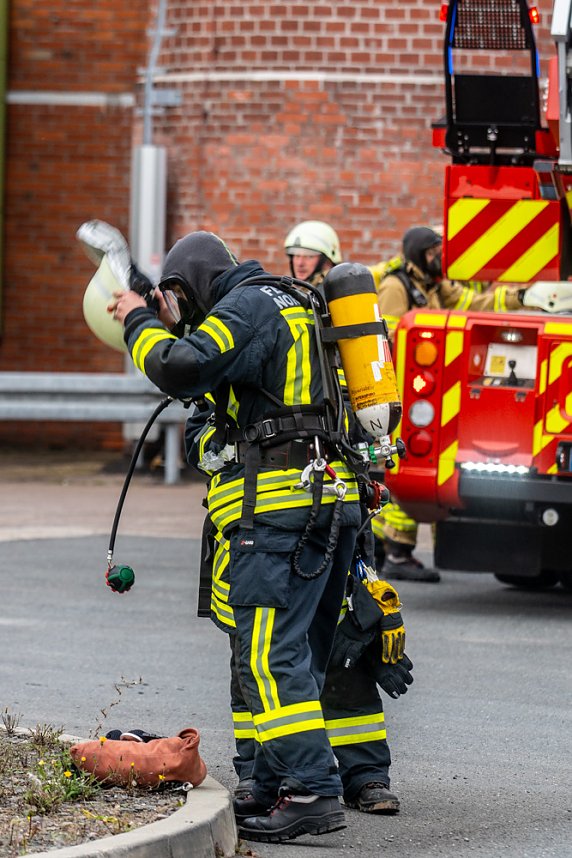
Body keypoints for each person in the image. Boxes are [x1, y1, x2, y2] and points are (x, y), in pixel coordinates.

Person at [109, 231, 372, 843]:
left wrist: (136, 320)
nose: (184, 316)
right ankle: (280, 783)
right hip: (330, 502)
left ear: (192, 284)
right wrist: (155, 305)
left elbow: (181, 366)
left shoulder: (247, 306)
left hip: (280, 510)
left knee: (268, 656)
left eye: (179, 300)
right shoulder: (294, 302)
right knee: (296, 652)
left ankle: (311, 791)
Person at [370, 225, 529, 584]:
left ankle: (385, 548)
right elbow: (388, 344)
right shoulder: (396, 287)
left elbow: (477, 303)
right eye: (432, 252)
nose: (438, 258)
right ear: (417, 254)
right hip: (402, 393)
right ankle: (394, 551)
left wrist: (524, 296)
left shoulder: (433, 286)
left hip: (423, 391)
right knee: (403, 462)